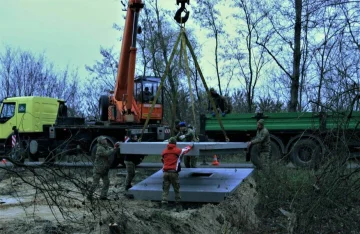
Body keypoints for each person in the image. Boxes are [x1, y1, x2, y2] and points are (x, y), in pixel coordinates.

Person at [161, 137, 193, 211]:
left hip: (165, 173)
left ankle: (164, 205)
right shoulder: (178, 151)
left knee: (165, 189)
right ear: (175, 143)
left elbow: (162, 160)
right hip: (173, 173)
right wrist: (191, 145)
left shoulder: (164, 151)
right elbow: (186, 150)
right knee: (176, 189)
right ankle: (178, 206)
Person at [87, 136, 119, 201]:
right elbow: (107, 154)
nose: (105, 140)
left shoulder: (105, 147)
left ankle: (103, 196)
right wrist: (114, 149)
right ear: (100, 141)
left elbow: (111, 149)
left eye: (105, 139)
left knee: (106, 182)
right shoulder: (100, 148)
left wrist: (115, 147)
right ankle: (89, 196)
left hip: (104, 169)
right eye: (104, 140)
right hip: (98, 169)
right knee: (95, 183)